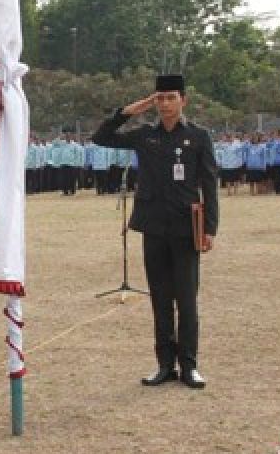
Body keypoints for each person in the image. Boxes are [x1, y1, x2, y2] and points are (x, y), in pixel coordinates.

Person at [93, 74, 218, 390]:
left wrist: (210, 228)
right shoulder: (145, 136)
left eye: (170, 97)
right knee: (160, 300)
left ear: (183, 100)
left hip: (186, 229)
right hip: (153, 227)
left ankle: (189, 366)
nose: (164, 103)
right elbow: (101, 136)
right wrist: (134, 109)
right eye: (159, 98)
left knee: (186, 300)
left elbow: (209, 184)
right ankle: (165, 365)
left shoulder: (199, 137)